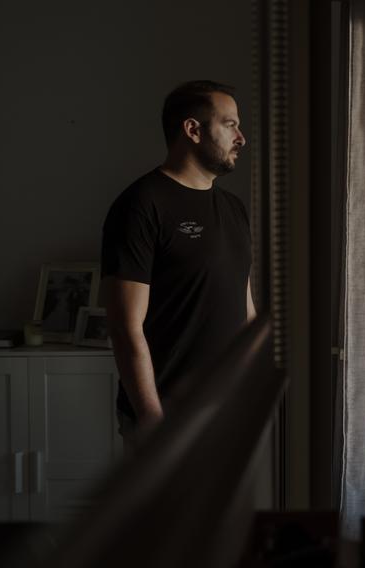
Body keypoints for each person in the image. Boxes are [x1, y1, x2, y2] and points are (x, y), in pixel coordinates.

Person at [101, 80, 256, 449]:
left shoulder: (234, 209)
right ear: (193, 129)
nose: (241, 137)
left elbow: (243, 303)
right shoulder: (141, 205)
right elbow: (125, 327)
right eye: (230, 124)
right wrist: (152, 420)